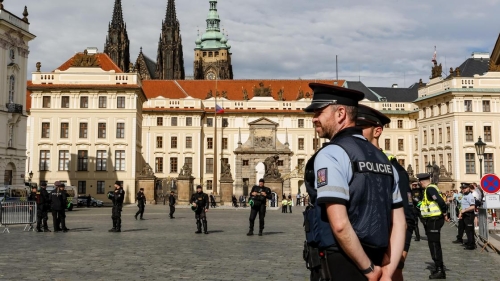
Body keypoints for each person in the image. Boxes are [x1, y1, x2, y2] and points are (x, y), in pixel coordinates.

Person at [302, 83, 405, 281]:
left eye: (319, 112)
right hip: (380, 256)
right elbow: (399, 223)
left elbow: (340, 224)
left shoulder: (331, 154)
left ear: (340, 113)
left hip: (343, 259)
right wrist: (388, 273)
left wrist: (368, 269)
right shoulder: (385, 159)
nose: (314, 118)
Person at [356, 105, 416, 281]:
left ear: (377, 131)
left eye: (361, 129)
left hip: (386, 252)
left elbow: (407, 216)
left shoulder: (393, 168)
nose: (356, 133)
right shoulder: (356, 164)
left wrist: (400, 258)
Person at [417, 173, 448, 279]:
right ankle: (438, 266)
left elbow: (440, 201)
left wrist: (444, 213)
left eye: (419, 183)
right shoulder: (428, 190)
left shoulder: (430, 189)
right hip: (431, 220)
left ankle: (440, 270)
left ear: (421, 182)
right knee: (433, 244)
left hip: (434, 219)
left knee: (434, 245)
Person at [459, 183, 476, 250]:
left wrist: (465, 210)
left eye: (465, 188)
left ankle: (471, 245)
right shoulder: (464, 195)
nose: (463, 190)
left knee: (469, 230)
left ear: (468, 188)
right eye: (462, 188)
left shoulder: (470, 196)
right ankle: (470, 242)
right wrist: (461, 213)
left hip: (469, 215)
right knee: (467, 230)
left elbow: (472, 207)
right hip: (465, 215)